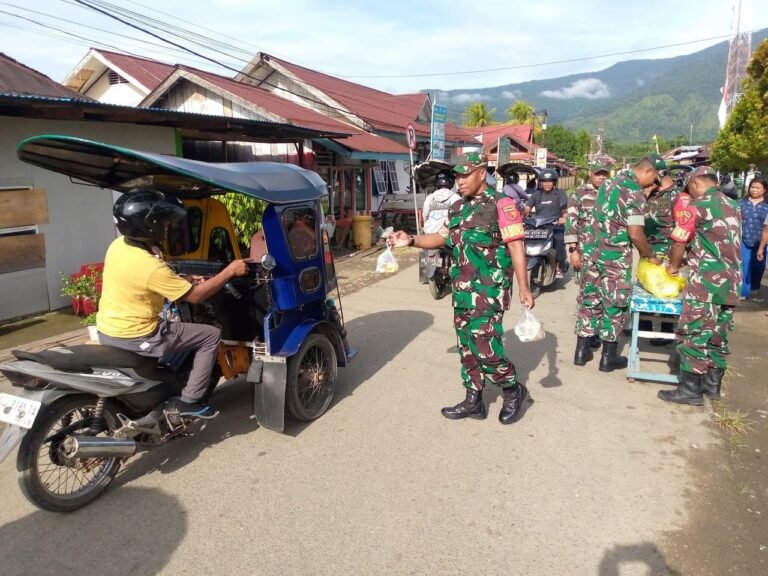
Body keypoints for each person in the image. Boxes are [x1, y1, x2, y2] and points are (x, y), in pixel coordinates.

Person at [389, 152, 534, 425]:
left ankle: (513, 388)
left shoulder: (502, 204)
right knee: (466, 346)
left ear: (482, 172)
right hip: (463, 291)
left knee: (486, 348)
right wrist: (410, 240)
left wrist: (524, 287)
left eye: (465, 174)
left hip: (490, 291)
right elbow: (439, 237)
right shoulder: (458, 208)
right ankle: (474, 400)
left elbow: (516, 246)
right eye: (457, 175)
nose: (460, 180)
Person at [96, 189, 249, 419]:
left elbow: (151, 277)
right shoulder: (149, 266)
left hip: (108, 329)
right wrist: (229, 271)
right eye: (164, 223)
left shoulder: (119, 246)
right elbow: (196, 296)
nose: (167, 228)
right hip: (138, 335)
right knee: (209, 335)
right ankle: (189, 400)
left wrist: (185, 278)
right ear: (149, 227)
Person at [660, 167, 742, 405]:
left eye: (689, 188)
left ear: (695, 182)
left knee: (694, 333)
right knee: (718, 334)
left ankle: (690, 390)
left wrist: (674, 266)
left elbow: (678, 242)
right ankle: (712, 385)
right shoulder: (733, 205)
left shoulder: (694, 207)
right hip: (731, 282)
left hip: (705, 283)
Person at [585, 157, 660, 372]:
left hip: (594, 252)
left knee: (591, 299)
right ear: (648, 171)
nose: (653, 183)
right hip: (614, 257)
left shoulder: (608, 183)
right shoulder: (634, 192)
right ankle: (608, 358)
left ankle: (582, 351)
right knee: (615, 304)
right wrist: (650, 255)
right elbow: (635, 234)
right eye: (654, 178)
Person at [565, 162, 612, 365]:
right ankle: (584, 344)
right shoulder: (579, 193)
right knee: (588, 297)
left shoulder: (611, 193)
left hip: (609, 254)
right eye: (598, 173)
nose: (601, 177)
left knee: (605, 296)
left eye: (605, 174)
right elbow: (571, 222)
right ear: (590, 173)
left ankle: (592, 334)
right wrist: (573, 250)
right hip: (586, 254)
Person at [641, 169, 680, 346]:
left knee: (665, 291)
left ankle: (665, 331)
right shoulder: (648, 192)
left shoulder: (677, 195)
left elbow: (682, 225)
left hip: (668, 248)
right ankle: (644, 327)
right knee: (645, 287)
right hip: (647, 248)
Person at [524, 167, 569, 278]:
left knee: (558, 240)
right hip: (539, 225)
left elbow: (564, 211)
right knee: (525, 238)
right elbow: (527, 207)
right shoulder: (537, 194)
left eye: (549, 181)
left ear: (554, 182)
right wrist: (524, 215)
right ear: (541, 183)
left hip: (555, 225)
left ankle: (559, 266)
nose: (547, 184)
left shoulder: (560, 193)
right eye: (544, 181)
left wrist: (564, 218)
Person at [738, 176, 768, 299]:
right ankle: (744, 292)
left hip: (762, 241)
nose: (754, 190)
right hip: (744, 239)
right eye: (752, 187)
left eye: (757, 188)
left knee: (758, 266)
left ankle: (755, 286)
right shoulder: (742, 203)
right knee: (744, 266)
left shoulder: (766, 205)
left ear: (765, 189)